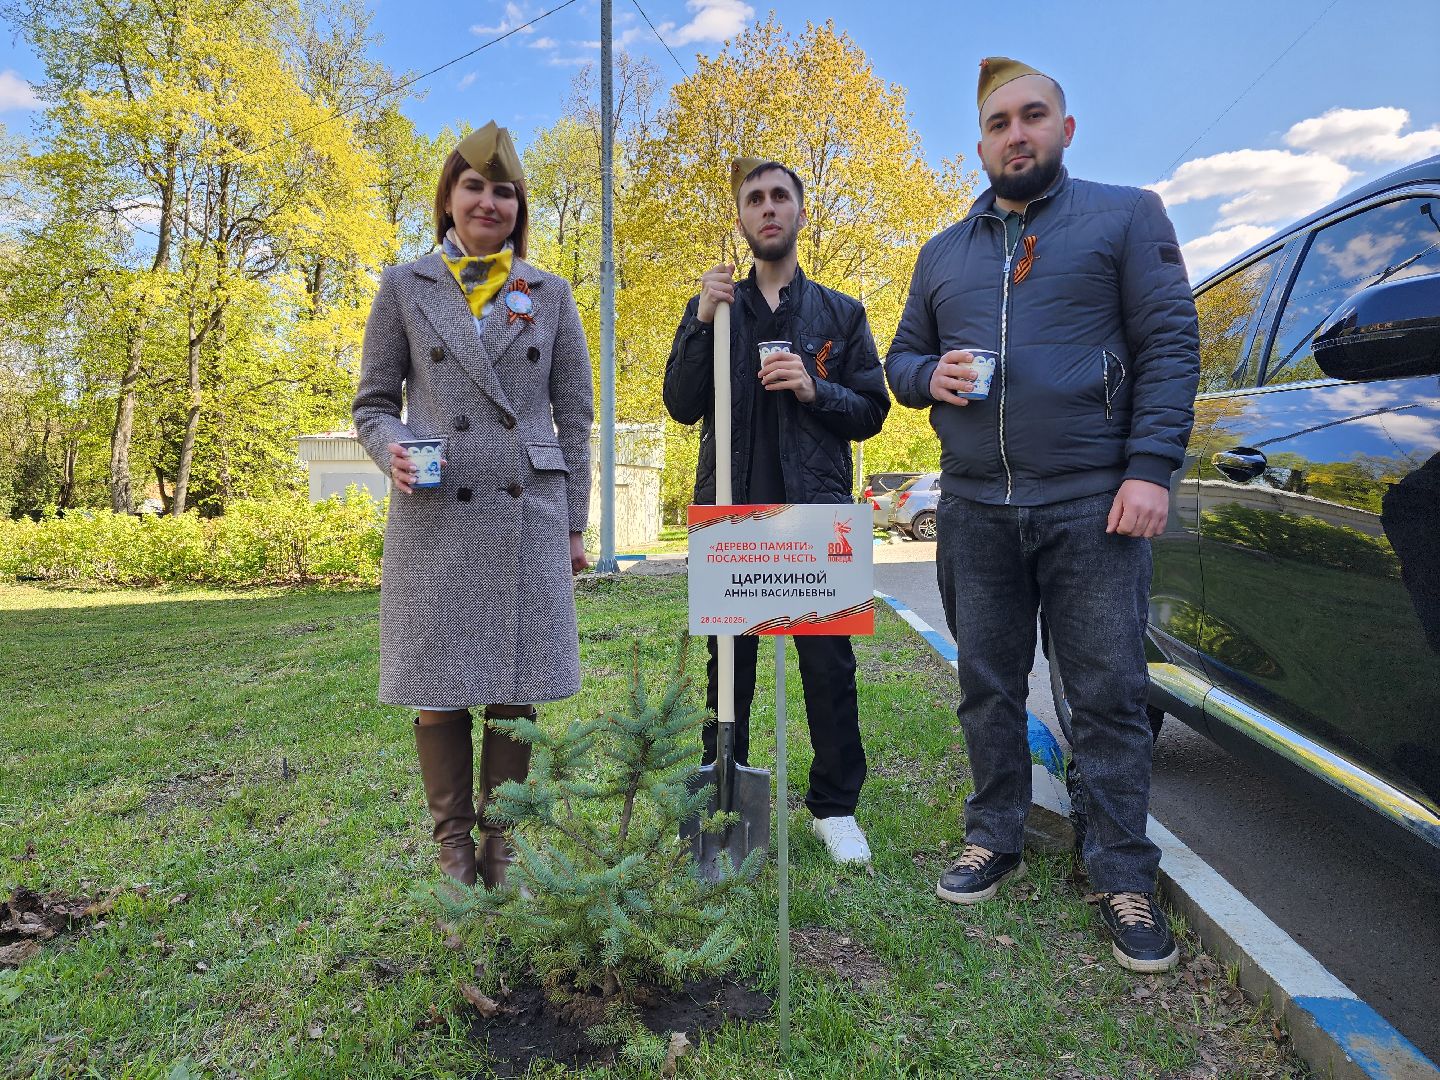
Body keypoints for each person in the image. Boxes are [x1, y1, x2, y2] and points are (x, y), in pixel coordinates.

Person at [885, 59, 1200, 972]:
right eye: (997, 122)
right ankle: (996, 834)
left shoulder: (1126, 215)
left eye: (1032, 116)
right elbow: (902, 359)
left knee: (1105, 695)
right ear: (978, 144)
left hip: (1092, 504)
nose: (1014, 133)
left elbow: (1170, 344)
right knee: (987, 684)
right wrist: (925, 377)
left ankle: (1120, 871)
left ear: (1066, 128)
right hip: (976, 506)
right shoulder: (944, 251)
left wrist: (1149, 469)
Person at [353, 122, 593, 890]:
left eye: (503, 191)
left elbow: (575, 415)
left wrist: (577, 522)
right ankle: (454, 849)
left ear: (519, 208)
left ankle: (504, 847)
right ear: (449, 199)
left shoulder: (550, 294)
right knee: (438, 682)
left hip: (528, 510)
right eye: (474, 187)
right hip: (435, 511)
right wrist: (388, 445)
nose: (488, 201)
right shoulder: (405, 285)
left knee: (513, 684)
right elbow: (372, 401)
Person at [664, 157, 890, 864]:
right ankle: (723, 794)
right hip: (732, 516)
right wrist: (700, 322)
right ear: (741, 217)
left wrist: (814, 388)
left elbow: (873, 411)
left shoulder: (838, 313)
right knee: (727, 666)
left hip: (813, 515)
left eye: (779, 197)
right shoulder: (715, 305)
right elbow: (679, 402)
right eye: (754, 199)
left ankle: (834, 807)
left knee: (829, 665)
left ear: (800, 211)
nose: (768, 208)